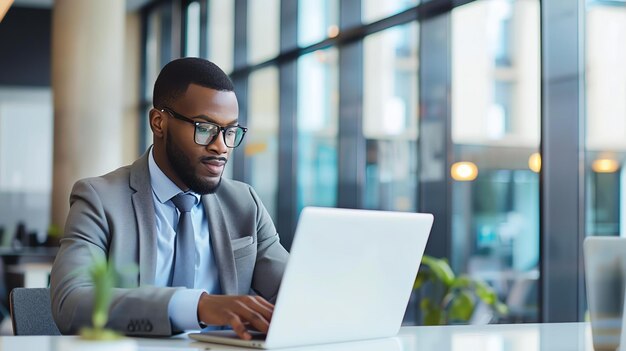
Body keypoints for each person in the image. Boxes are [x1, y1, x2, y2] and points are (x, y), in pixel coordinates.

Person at [50, 57, 289, 340]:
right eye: (205, 128)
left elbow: (294, 291)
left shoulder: (244, 203)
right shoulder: (100, 199)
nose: (221, 146)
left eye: (230, 131)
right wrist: (197, 307)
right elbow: (70, 302)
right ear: (159, 122)